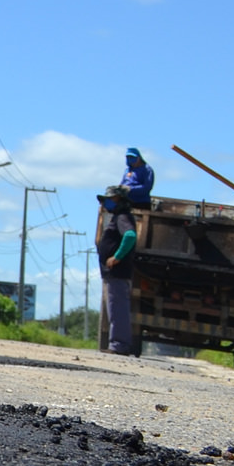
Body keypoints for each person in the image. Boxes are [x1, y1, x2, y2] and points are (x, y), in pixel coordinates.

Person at [96, 147, 153, 354]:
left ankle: (118, 345)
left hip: (118, 272)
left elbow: (130, 236)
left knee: (117, 307)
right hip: (114, 273)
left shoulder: (122, 217)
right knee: (115, 307)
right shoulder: (119, 215)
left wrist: (116, 257)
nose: (107, 203)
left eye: (110, 199)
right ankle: (118, 343)